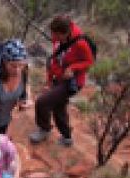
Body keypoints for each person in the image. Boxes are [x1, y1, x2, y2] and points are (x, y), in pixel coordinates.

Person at [29, 15, 94, 147]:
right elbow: (54, 60)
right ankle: (66, 137)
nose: (54, 37)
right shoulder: (57, 37)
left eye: (57, 35)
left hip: (72, 82)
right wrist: (48, 81)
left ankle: (45, 129)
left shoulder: (80, 43)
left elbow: (89, 61)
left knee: (42, 102)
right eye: (53, 34)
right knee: (59, 106)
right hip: (58, 77)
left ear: (66, 32)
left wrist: (73, 68)